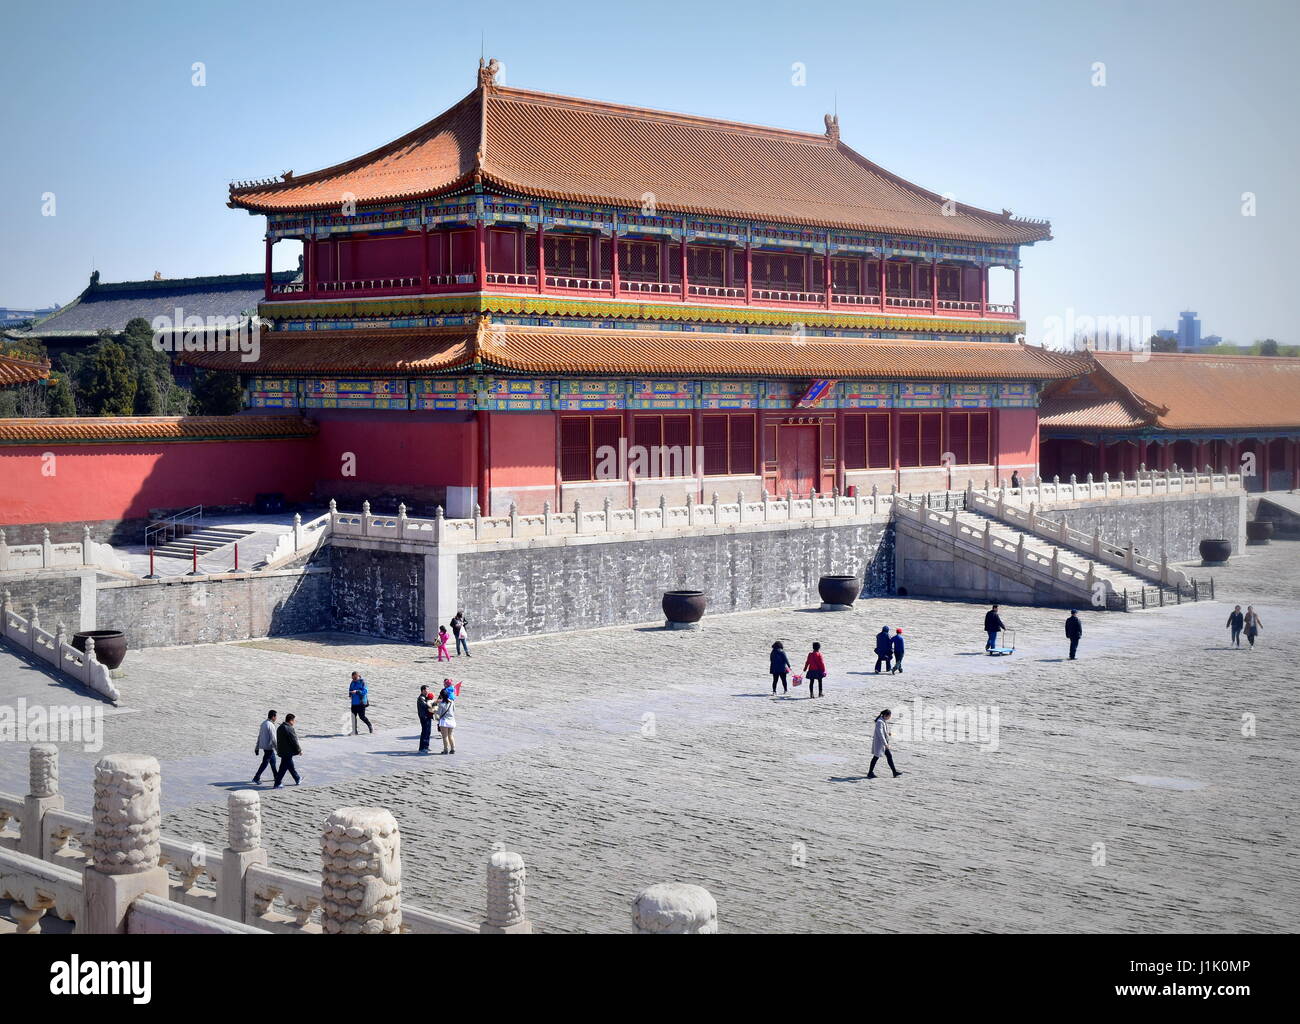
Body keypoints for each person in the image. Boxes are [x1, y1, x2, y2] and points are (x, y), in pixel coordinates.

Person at [868, 709, 902, 779]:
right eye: (890, 716)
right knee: (876, 757)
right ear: (887, 715)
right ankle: (870, 773)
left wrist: (888, 733)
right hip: (880, 743)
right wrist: (885, 744)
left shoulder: (882, 720)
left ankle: (894, 772)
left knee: (888, 756)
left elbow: (883, 731)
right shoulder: (880, 722)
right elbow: (880, 734)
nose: (890, 717)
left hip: (883, 743)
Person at [273, 713, 302, 788]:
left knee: (290, 766)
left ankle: (297, 778)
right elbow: (294, 740)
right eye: (294, 721)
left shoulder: (280, 727)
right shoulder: (289, 728)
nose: (294, 722)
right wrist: (299, 750)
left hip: (282, 751)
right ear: (291, 720)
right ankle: (277, 783)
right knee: (283, 768)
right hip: (288, 752)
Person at [253, 710, 278, 784]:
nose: (276, 718)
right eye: (276, 716)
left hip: (264, 746)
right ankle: (256, 777)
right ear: (273, 717)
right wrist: (278, 750)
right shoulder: (271, 725)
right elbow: (273, 739)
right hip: (269, 747)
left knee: (273, 761)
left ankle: (276, 776)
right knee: (265, 762)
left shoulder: (263, 723)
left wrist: (257, 747)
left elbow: (259, 736)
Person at [436, 687, 457, 754]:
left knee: (445, 736)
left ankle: (445, 750)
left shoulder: (441, 704)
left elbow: (439, 713)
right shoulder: (452, 702)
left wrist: (435, 710)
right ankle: (453, 749)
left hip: (444, 721)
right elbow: (454, 710)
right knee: (450, 735)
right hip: (452, 720)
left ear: (441, 695)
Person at [416, 685, 436, 753]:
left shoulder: (425, 697)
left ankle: (426, 746)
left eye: (428, 689)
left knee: (428, 732)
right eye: (426, 690)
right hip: (424, 717)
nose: (427, 691)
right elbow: (427, 706)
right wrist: (433, 703)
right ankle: (422, 748)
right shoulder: (421, 698)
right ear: (423, 690)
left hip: (428, 716)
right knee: (424, 732)